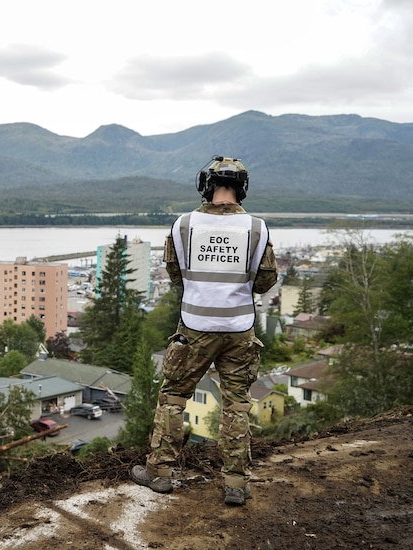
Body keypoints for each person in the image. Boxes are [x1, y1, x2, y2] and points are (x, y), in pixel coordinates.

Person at [131, 155, 278, 506]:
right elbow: (265, 283)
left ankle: (160, 473)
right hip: (239, 328)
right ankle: (236, 484)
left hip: (194, 327)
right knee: (237, 405)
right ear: (242, 188)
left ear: (205, 185)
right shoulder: (258, 228)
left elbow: (176, 276)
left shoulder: (183, 225)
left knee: (172, 397)